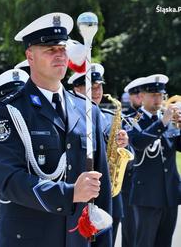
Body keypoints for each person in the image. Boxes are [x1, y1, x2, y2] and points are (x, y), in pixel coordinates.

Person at [0, 12, 112, 247]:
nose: (60, 55)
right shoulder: (8, 111)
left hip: (78, 238)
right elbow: (8, 181)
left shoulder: (88, 111)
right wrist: (69, 193)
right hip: (28, 238)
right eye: (50, 49)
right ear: (30, 56)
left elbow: (100, 190)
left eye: (63, 49)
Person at [68, 63, 129, 246]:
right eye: (90, 87)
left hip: (110, 198)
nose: (96, 92)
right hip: (81, 197)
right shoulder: (70, 117)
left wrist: (125, 145)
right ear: (76, 89)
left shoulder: (110, 117)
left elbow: (129, 158)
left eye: (99, 86)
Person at [127, 74, 181, 247]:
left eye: (160, 95)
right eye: (153, 95)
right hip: (147, 196)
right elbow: (138, 143)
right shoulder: (132, 120)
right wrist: (162, 122)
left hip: (170, 193)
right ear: (142, 97)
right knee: (144, 243)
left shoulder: (169, 119)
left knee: (165, 242)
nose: (158, 98)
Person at [121, 76, 145, 247]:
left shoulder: (156, 117)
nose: (139, 97)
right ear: (130, 96)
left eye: (141, 93)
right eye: (135, 94)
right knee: (131, 229)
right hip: (130, 180)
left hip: (150, 180)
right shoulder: (124, 119)